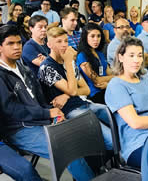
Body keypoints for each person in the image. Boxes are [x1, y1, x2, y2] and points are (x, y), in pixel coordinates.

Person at [0, 25, 95, 180]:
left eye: (19, 43)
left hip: (40, 121)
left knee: (82, 137)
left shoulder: (24, 69)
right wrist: (47, 113)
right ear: (0, 48)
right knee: (68, 150)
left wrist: (54, 113)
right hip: (19, 129)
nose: (17, 47)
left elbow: (40, 99)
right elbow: (11, 109)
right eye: (11, 44)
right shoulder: (2, 75)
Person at [38, 27, 113, 150]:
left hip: (83, 103)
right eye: (59, 42)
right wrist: (68, 61)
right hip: (68, 111)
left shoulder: (70, 63)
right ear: (49, 45)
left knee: (110, 114)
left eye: (66, 41)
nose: (64, 45)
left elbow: (86, 89)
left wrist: (66, 95)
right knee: (109, 137)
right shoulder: (46, 68)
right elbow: (73, 90)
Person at [105, 37, 148, 168]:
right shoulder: (116, 85)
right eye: (131, 55)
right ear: (120, 57)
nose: (136, 60)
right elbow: (135, 123)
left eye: (139, 55)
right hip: (137, 142)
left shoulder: (144, 80)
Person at [77, 23, 113, 104]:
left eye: (98, 36)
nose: (96, 39)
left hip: (107, 88)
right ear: (85, 38)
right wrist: (115, 77)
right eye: (92, 36)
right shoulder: (82, 56)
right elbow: (97, 80)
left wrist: (109, 82)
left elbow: (108, 73)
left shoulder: (100, 53)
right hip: (95, 93)